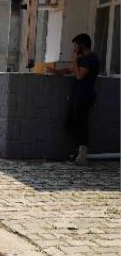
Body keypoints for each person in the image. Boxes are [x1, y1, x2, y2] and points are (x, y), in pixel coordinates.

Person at [46, 33, 100, 165]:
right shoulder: (82, 59)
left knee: (81, 123)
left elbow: (80, 75)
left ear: (82, 46)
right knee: (69, 123)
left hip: (84, 96)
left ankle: (82, 152)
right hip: (76, 95)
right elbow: (71, 70)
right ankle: (78, 149)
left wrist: (75, 60)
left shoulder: (91, 59)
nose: (74, 49)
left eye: (76, 46)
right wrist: (56, 72)